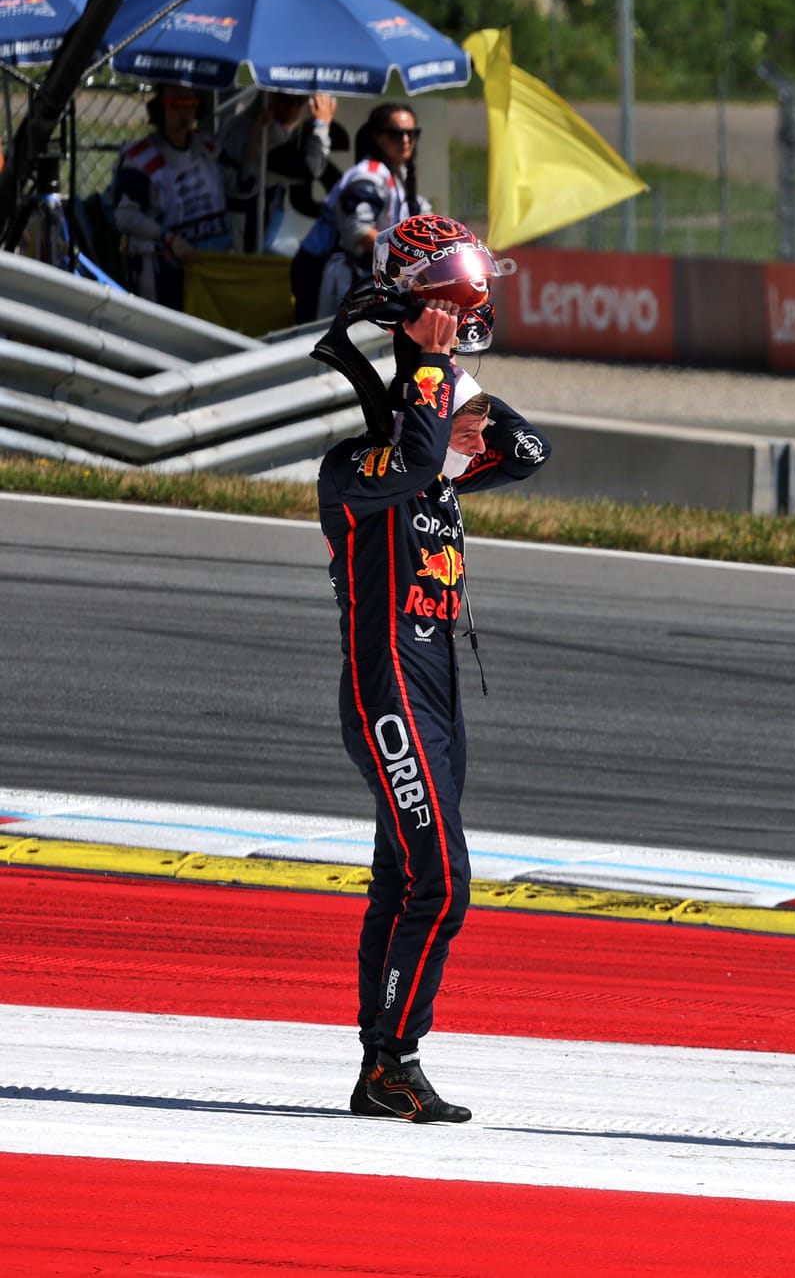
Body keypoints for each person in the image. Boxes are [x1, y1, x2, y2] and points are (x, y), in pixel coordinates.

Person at [318, 213, 549, 1122]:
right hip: (388, 683)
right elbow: (415, 452)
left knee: (403, 878)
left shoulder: (434, 464)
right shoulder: (356, 469)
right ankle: (393, 1060)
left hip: (434, 676)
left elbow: (527, 450)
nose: (458, 422)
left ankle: (381, 1064)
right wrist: (428, 359)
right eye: (446, 404)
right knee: (442, 881)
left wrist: (463, 379)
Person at [293, 101, 427, 324]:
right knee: (323, 346)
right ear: (376, 136)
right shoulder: (368, 176)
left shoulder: (400, 175)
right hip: (323, 270)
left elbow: (420, 221)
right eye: (396, 133)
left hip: (353, 272)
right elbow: (359, 232)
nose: (405, 140)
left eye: (411, 133)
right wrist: (409, 259)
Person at [108, 85, 232, 310]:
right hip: (160, 272)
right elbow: (125, 216)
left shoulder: (208, 149)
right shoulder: (141, 157)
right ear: (159, 108)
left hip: (210, 267)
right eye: (174, 106)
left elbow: (240, 185)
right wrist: (170, 239)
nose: (182, 114)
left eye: (189, 106)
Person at [218, 90, 336, 254]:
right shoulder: (266, 132)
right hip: (243, 227)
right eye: (286, 100)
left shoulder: (240, 122)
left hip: (238, 218)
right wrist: (321, 125)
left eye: (300, 100)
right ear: (270, 98)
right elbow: (312, 168)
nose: (293, 108)